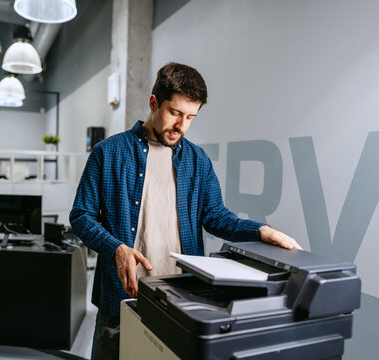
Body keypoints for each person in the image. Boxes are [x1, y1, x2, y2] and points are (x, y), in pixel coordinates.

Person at [69, 62, 302, 360]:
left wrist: (261, 230)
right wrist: (117, 249)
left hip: (181, 299)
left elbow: (216, 216)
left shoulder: (198, 160)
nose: (182, 125)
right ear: (154, 102)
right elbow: (81, 216)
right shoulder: (108, 152)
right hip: (121, 298)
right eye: (175, 113)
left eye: (191, 116)